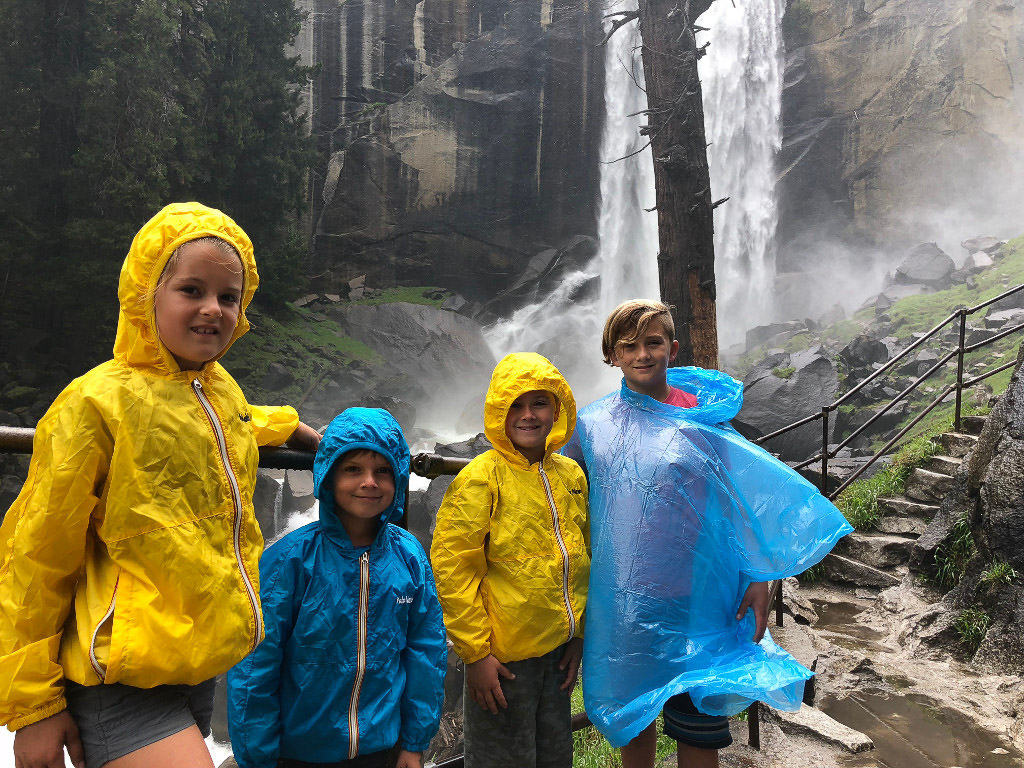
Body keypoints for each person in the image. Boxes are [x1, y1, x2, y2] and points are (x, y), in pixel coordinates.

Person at [0, 202, 321, 768]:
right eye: (191, 289)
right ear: (146, 293)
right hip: (119, 675)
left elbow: (233, 420)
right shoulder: (95, 403)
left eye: (228, 297)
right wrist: (32, 709)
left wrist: (295, 427)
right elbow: (35, 558)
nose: (211, 309)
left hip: (193, 662)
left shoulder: (219, 393)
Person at [564, 299, 852, 768]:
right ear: (611, 354)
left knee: (699, 727)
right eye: (628, 345)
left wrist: (757, 577)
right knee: (634, 718)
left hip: (701, 598)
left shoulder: (705, 417)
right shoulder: (591, 425)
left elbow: (735, 503)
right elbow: (559, 489)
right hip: (625, 605)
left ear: (672, 348)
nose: (642, 354)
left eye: (652, 342)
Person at [227, 407, 447, 768]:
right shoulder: (289, 560)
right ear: (327, 476)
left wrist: (414, 741)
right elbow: (255, 664)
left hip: (383, 747)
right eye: (352, 469)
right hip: (298, 753)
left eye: (383, 471)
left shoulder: (409, 556)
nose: (369, 482)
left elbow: (426, 650)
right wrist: (257, 756)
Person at [431, 352, 590, 768]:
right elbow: (453, 569)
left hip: (557, 654)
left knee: (554, 756)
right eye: (514, 405)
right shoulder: (480, 478)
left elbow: (582, 556)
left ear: (557, 408)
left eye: (539, 403)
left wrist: (579, 634)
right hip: (502, 662)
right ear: (497, 412)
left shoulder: (570, 475)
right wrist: (476, 656)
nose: (528, 415)